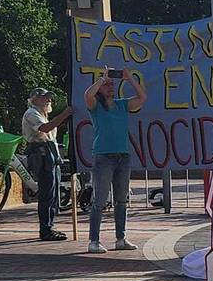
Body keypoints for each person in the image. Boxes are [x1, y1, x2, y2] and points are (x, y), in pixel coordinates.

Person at [83, 69, 147, 254]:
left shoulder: (121, 105)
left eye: (112, 84)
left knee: (121, 199)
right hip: (103, 156)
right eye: (107, 85)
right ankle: (93, 241)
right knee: (99, 200)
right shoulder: (96, 106)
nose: (111, 87)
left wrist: (129, 79)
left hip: (123, 156)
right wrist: (101, 79)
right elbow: (87, 95)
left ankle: (121, 238)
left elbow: (142, 98)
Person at [21, 88, 72, 241]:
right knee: (46, 194)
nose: (48, 100)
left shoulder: (43, 114)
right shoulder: (31, 113)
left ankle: (49, 225)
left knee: (53, 193)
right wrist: (65, 114)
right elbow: (45, 128)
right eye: (44, 97)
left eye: (49, 97)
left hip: (50, 155)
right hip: (41, 155)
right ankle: (46, 229)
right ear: (35, 99)